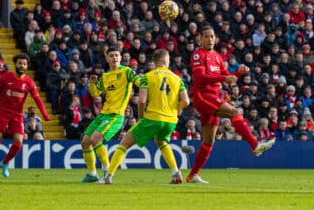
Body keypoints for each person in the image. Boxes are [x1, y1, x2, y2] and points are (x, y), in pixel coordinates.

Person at [186, 25, 275, 184]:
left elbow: (229, 77)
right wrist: (223, 79)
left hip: (212, 97)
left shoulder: (218, 57)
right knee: (234, 112)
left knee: (208, 141)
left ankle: (193, 175)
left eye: (212, 36)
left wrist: (239, 73)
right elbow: (200, 78)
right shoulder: (198, 55)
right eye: (206, 36)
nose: (210, 39)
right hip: (202, 95)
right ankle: (255, 145)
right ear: (200, 38)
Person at [100, 49, 190, 184]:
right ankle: (176, 173)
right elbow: (186, 102)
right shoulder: (178, 79)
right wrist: (175, 109)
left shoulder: (147, 77)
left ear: (154, 62)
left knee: (124, 143)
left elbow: (142, 100)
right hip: (171, 120)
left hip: (153, 117)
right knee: (161, 142)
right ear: (166, 61)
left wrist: (141, 117)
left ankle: (108, 177)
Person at [0, 53, 50, 179]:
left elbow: (37, 99)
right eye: (20, 63)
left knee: (18, 142)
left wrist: (44, 114)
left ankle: (4, 163)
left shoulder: (29, 82)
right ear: (15, 64)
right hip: (2, 112)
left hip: (17, 115)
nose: (22, 66)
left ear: (26, 66)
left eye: (24, 64)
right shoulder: (5, 77)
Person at [80, 47, 142, 183]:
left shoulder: (126, 72)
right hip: (103, 114)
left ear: (120, 58)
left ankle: (108, 173)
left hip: (116, 114)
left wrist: (144, 81)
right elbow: (95, 93)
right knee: (85, 142)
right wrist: (92, 84)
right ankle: (92, 174)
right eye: (111, 56)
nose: (114, 58)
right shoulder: (106, 76)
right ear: (107, 58)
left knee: (96, 139)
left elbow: (138, 81)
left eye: (117, 55)